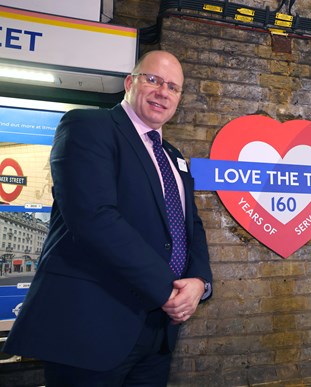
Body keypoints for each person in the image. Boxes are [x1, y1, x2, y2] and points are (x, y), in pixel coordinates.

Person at [4, 50, 213, 386]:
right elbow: (93, 218)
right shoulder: (88, 126)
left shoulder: (173, 157)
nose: (163, 91)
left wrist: (200, 281)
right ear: (130, 83)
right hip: (91, 326)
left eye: (173, 87)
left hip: (157, 332)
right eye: (153, 79)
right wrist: (168, 290)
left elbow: (191, 227)